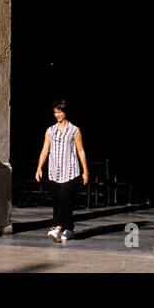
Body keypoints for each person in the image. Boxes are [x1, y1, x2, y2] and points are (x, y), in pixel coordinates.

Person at [35, 100, 88, 242]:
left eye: (59, 112)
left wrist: (85, 171)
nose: (57, 115)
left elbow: (81, 151)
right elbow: (45, 150)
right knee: (58, 201)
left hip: (70, 171)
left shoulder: (75, 130)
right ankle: (69, 229)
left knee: (65, 200)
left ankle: (57, 228)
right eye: (55, 113)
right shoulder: (50, 130)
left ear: (65, 112)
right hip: (54, 171)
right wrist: (39, 167)